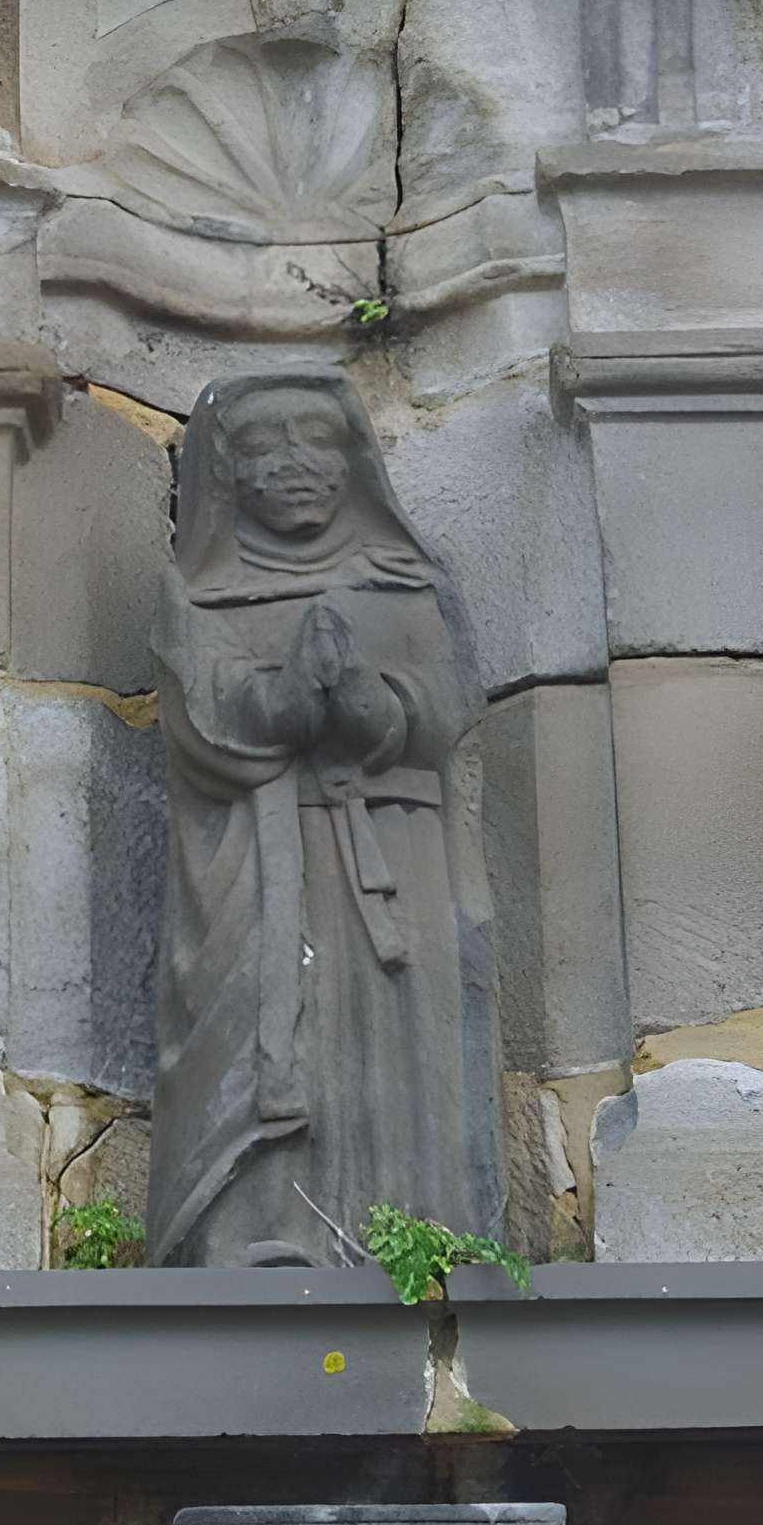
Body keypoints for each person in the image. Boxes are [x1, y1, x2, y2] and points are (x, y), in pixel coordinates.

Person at [148, 372, 501, 1268]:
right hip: (258, 867)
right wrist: (288, 698)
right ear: (226, 475)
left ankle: (417, 1233)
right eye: (264, 446)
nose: (295, 463)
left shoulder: (409, 587)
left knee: (398, 1046)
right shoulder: (197, 599)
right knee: (275, 1035)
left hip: (395, 854)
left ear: (353, 464)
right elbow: (205, 724)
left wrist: (367, 701)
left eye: (317, 440)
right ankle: (259, 1235)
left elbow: (441, 716)